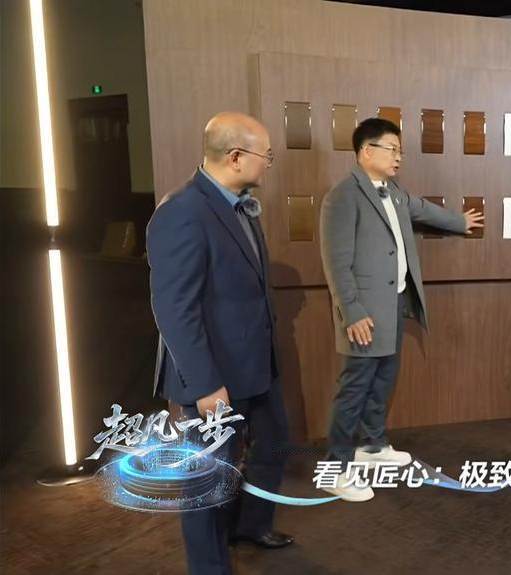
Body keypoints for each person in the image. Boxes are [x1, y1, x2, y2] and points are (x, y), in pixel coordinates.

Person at [148, 112, 293, 574]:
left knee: (274, 444)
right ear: (235, 157)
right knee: (207, 482)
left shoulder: (240, 204)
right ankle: (209, 566)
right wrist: (206, 385)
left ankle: (250, 525)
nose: (268, 162)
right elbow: (175, 309)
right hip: (216, 378)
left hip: (257, 366)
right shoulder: (183, 212)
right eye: (265, 155)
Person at [318, 118, 484, 501]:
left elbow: (423, 209)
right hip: (363, 311)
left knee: (383, 379)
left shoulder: (393, 191)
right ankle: (334, 469)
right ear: (366, 151)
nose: (398, 157)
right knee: (353, 389)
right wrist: (351, 311)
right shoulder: (342, 196)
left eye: (400, 150)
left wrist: (459, 221)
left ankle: (373, 445)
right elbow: (336, 264)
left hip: (393, 304)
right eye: (392, 149)